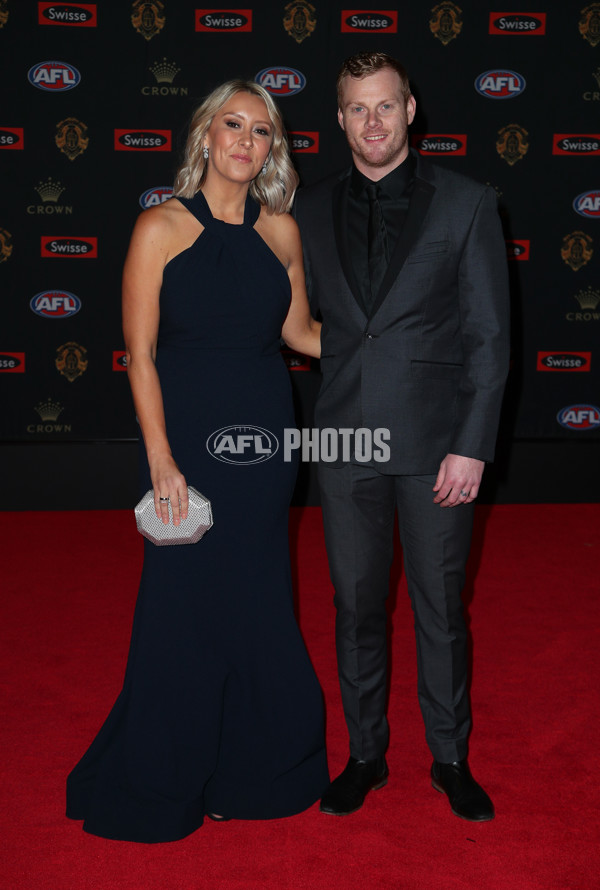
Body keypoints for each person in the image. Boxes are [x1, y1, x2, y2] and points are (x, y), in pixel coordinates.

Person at [66, 79, 328, 842]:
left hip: (264, 447)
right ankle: (163, 776)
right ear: (205, 137)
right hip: (184, 449)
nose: (246, 141)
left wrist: (391, 347)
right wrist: (161, 460)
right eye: (233, 125)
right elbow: (139, 355)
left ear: (271, 148)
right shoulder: (160, 228)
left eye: (261, 131)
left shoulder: (281, 233)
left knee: (255, 607)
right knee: (181, 613)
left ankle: (254, 774)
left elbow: (304, 334)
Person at [293, 52, 510, 822]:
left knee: (439, 607)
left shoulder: (467, 203)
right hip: (343, 442)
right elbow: (297, 323)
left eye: (386, 106)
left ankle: (450, 757)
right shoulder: (308, 209)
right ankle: (365, 754)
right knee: (354, 605)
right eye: (358, 108)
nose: (373, 122)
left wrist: (472, 444)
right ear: (340, 118)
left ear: (411, 110)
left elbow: (489, 337)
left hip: (436, 446)